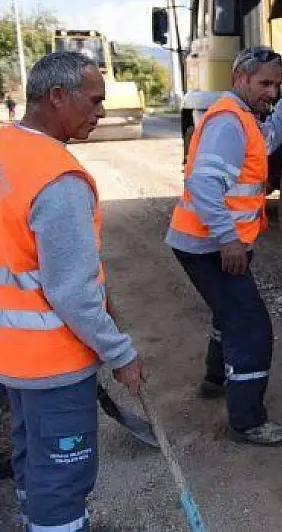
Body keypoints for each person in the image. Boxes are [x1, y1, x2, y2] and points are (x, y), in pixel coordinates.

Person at [0, 51, 144, 531]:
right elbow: (72, 293)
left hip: (11, 360)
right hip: (53, 365)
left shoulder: (6, 147)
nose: (101, 112)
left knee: (31, 461)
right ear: (58, 97)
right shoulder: (58, 178)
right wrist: (121, 354)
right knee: (63, 480)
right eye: (95, 100)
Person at [165, 46, 282, 447]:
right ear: (239, 78)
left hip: (204, 241)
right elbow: (204, 184)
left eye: (276, 86)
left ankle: (216, 379)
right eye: (265, 83)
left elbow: (269, 140)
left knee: (228, 311)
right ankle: (247, 421)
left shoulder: (243, 119)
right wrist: (228, 240)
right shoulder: (228, 122)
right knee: (250, 327)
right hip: (207, 244)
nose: (271, 93)